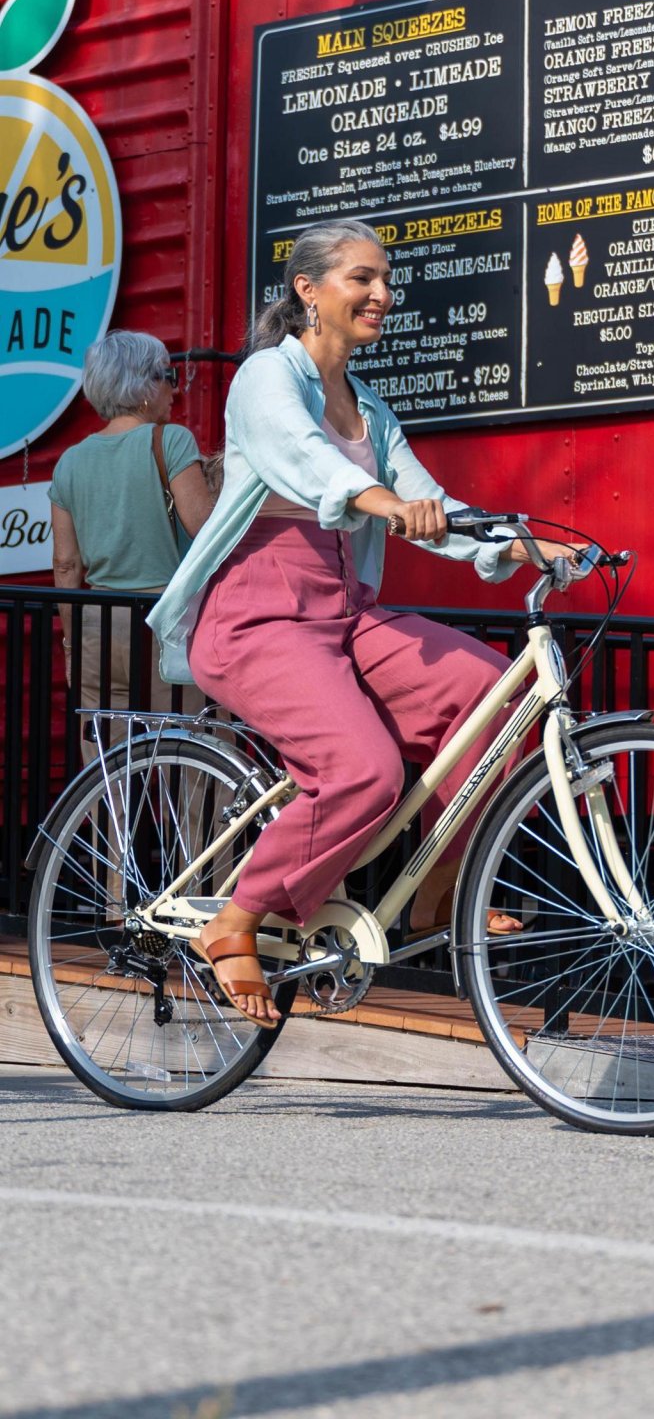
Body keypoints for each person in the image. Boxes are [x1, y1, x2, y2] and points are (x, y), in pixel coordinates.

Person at [148, 220, 575, 1027]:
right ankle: (239, 918)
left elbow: (436, 507)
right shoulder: (264, 380)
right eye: (361, 278)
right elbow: (304, 463)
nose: (382, 294)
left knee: (489, 695)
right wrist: (380, 501)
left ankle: (437, 895)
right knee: (365, 773)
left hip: (346, 613)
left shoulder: (371, 408)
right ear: (308, 290)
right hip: (258, 615)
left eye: (385, 279)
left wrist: (520, 541)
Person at [50, 331, 213, 758]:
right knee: (191, 758)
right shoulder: (171, 441)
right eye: (167, 376)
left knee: (106, 766)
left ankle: (111, 828)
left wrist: (72, 646)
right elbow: (204, 526)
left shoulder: (70, 461)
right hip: (168, 622)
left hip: (99, 625)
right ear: (142, 387)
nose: (174, 388)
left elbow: (67, 566)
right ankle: (200, 831)